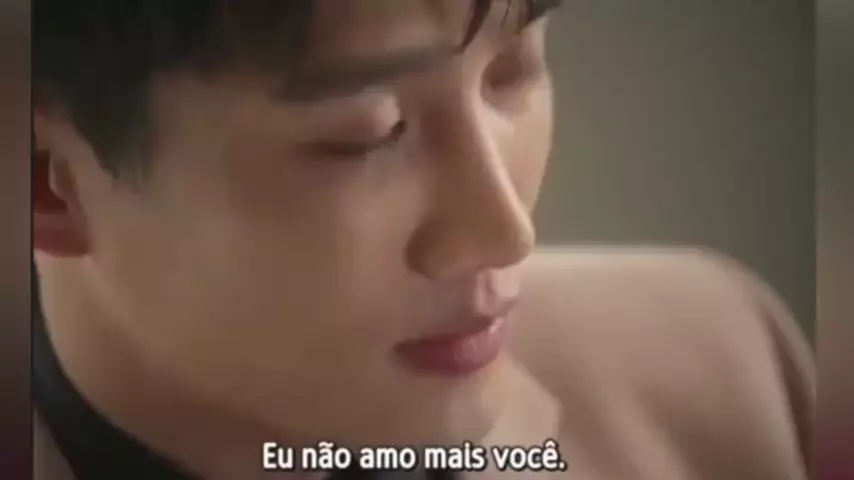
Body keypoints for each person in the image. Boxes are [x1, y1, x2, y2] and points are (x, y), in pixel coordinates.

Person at [32, 1, 814, 479]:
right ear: (43, 180)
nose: (507, 233)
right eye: (366, 133)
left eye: (513, 70)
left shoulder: (725, 366)